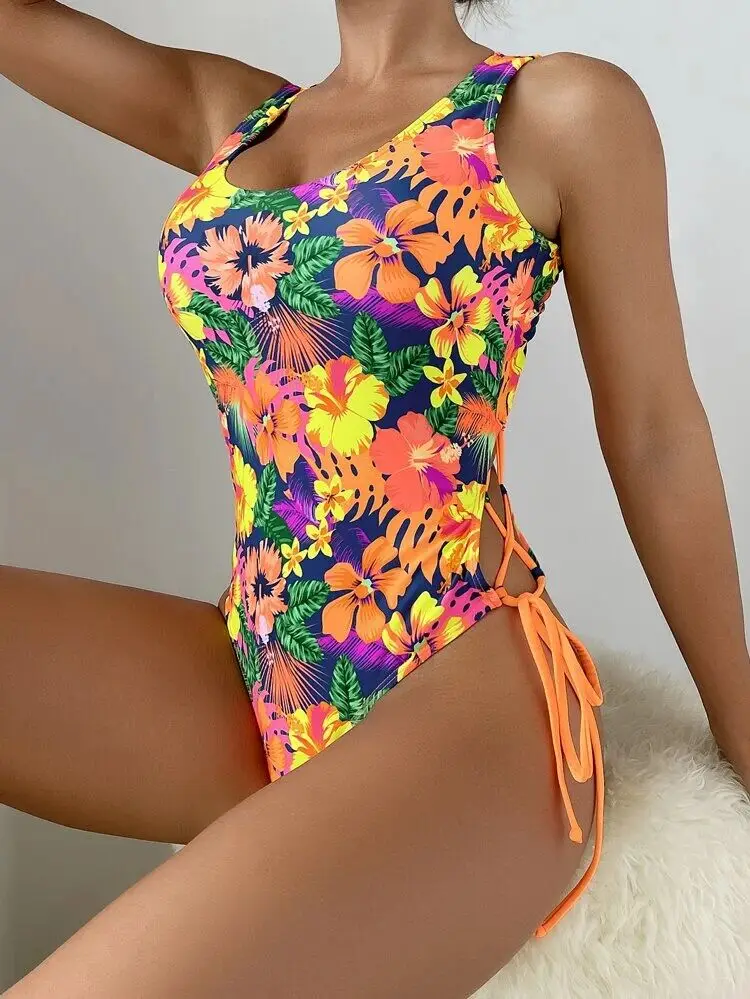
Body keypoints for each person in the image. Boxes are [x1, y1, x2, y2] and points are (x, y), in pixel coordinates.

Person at [1, 0, 748, 995]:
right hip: (262, 660)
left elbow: (656, 437)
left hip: (460, 684)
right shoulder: (231, 113)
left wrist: (742, 733)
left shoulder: (552, 108)